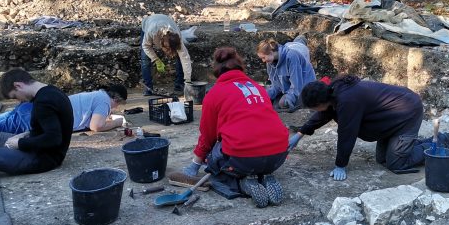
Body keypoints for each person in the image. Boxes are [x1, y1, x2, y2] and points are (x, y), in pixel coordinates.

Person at [168, 47, 289, 208]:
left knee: (214, 158)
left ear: (217, 71)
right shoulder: (258, 88)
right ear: (240, 68)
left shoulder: (215, 93)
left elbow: (208, 136)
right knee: (251, 148)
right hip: (278, 156)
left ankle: (243, 184)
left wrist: (194, 165)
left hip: (245, 160)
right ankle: (264, 175)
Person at [288, 75, 424, 180]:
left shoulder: (347, 101)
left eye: (313, 108)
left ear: (320, 102)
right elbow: (324, 114)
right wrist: (300, 133)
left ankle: (436, 144)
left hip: (408, 112)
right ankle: (409, 144)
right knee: (382, 159)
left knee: (396, 164)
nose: (313, 111)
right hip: (389, 118)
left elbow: (347, 134)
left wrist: (340, 165)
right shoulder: (332, 93)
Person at [0, 84, 128, 135]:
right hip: (37, 116)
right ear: (116, 99)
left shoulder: (95, 95)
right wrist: (118, 121)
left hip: (31, 109)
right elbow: (96, 126)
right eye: (118, 104)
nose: (115, 108)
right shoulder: (103, 100)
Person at [256, 35, 316, 112]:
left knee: (283, 104)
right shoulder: (270, 62)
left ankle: (301, 38)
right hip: (292, 46)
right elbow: (275, 85)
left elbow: (297, 85)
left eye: (263, 57)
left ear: (271, 53)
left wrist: (289, 99)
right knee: (271, 103)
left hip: (304, 85)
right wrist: (265, 96)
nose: (263, 61)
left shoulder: (292, 56)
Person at [141, 13, 192, 96]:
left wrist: (188, 80)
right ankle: (148, 88)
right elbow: (145, 46)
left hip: (166, 20)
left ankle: (179, 86)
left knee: (180, 57)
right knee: (145, 59)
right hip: (148, 23)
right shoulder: (151, 32)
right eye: (167, 50)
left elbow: (185, 58)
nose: (168, 53)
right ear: (162, 44)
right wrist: (156, 59)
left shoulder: (176, 36)